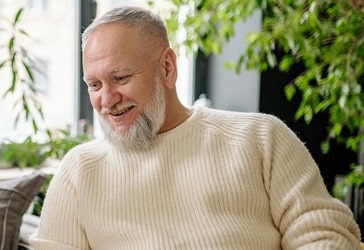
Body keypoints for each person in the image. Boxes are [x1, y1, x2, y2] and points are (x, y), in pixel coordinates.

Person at [30, 6, 361, 249]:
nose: (107, 99)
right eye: (94, 84)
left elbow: (324, 234)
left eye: (120, 78)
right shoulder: (80, 170)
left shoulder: (260, 138)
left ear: (168, 68)